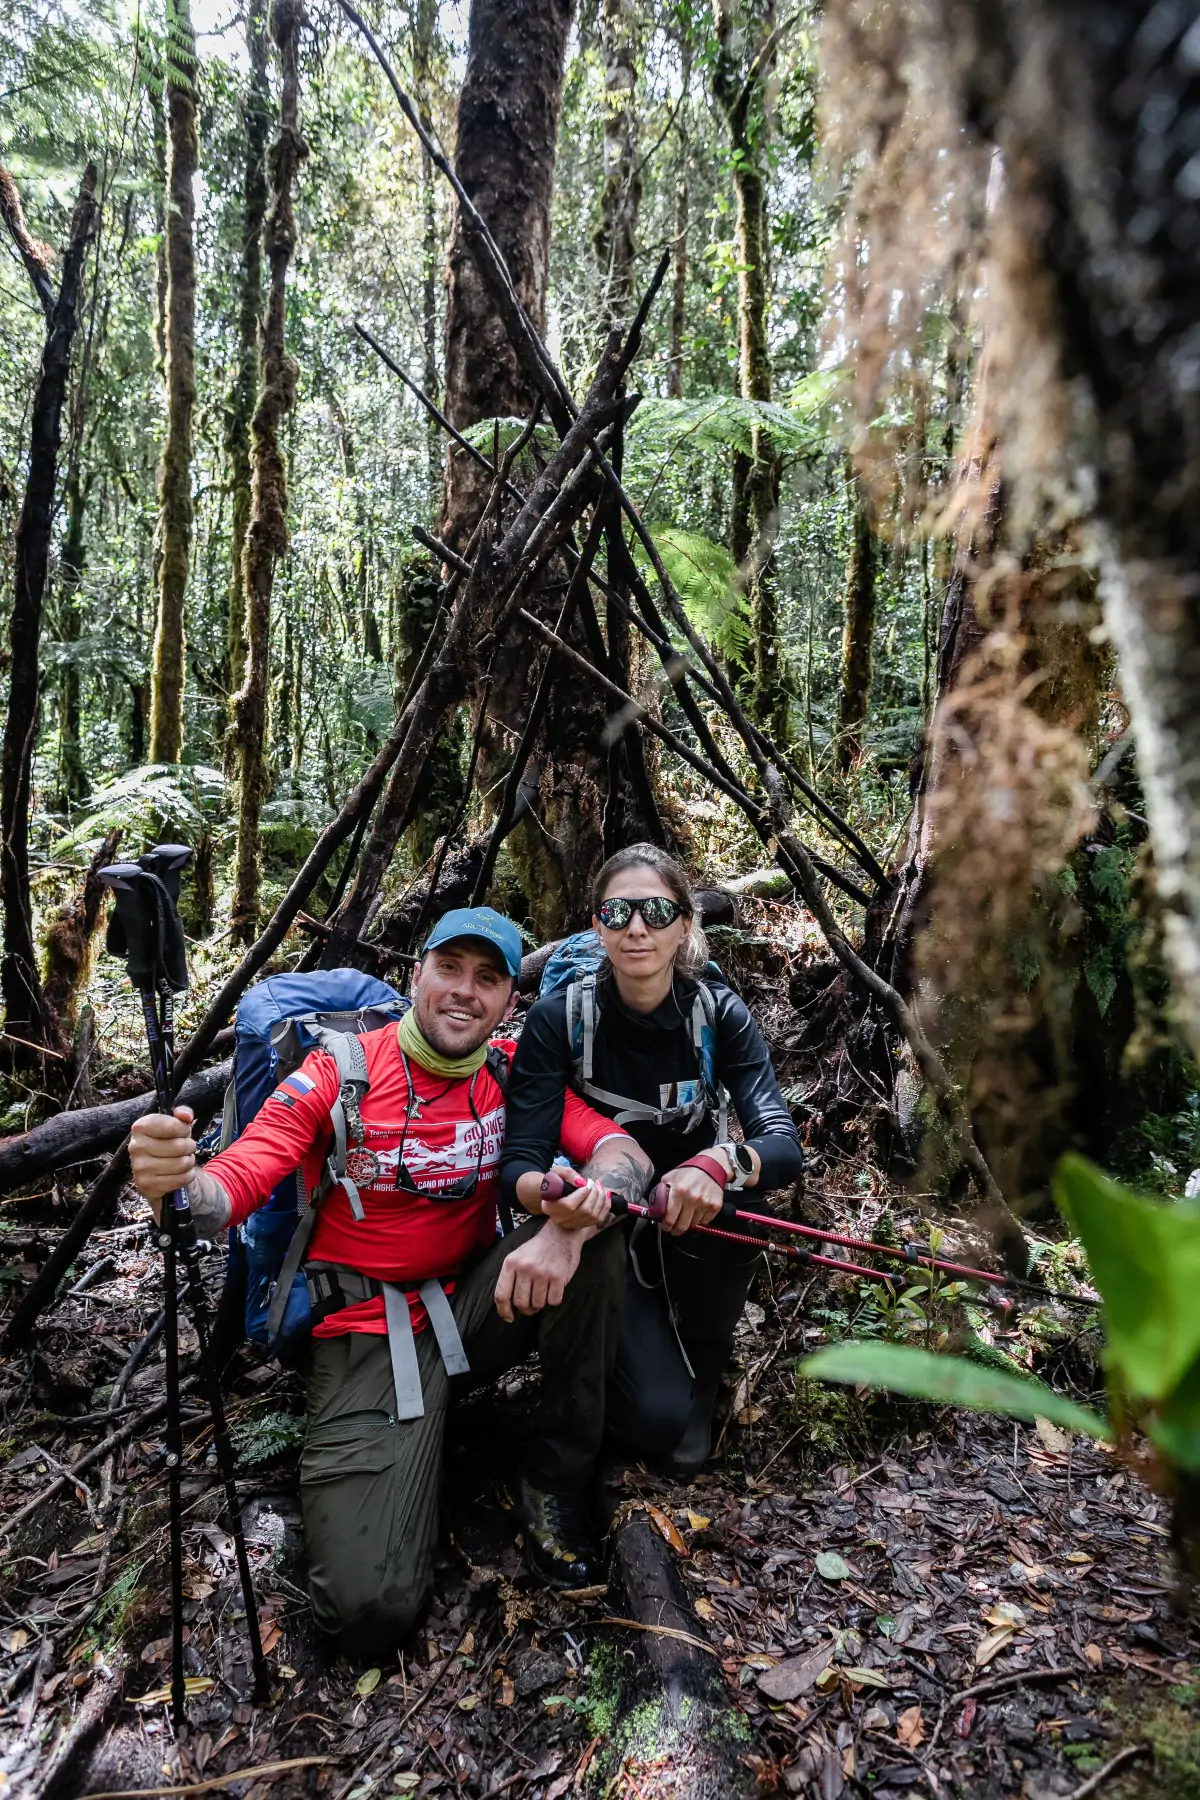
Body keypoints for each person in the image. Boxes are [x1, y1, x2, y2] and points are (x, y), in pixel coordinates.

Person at [129, 906, 653, 1657]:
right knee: (365, 1613)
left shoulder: (513, 1072)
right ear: (417, 975)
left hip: (475, 1307)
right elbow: (236, 1181)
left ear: (510, 999)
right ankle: (399, 1469)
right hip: (364, 1336)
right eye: (450, 969)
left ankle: (557, 1478)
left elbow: (621, 1155)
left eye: (488, 978)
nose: (465, 992)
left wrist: (574, 1219)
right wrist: (179, 1187)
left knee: (599, 1232)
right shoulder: (337, 1072)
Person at [500, 846, 805, 1475]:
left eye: (656, 911)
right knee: (651, 1422)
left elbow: (781, 1143)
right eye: (618, 912)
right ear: (596, 926)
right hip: (603, 1225)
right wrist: (551, 1197)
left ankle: (707, 1362)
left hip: (691, 1219)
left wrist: (718, 1165)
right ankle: (626, 1374)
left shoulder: (719, 1015)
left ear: (684, 924)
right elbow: (519, 1161)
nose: (637, 928)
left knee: (744, 1210)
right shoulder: (560, 1018)